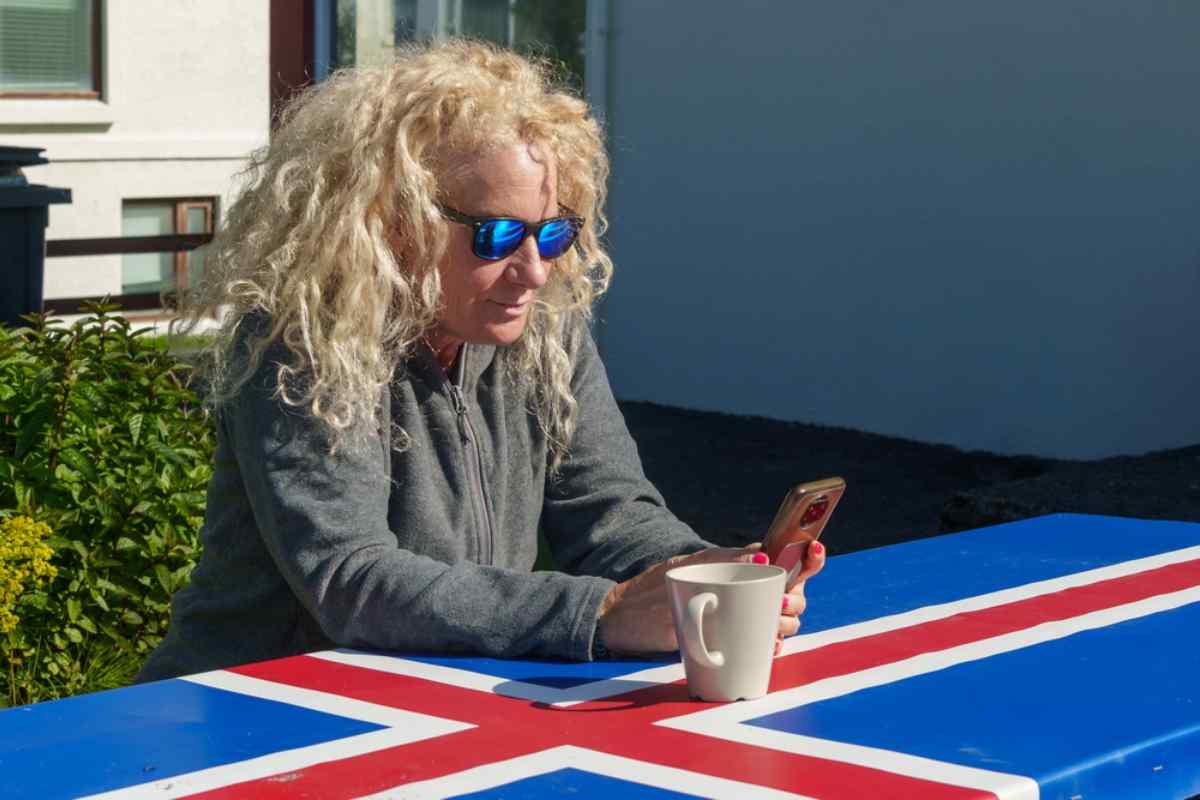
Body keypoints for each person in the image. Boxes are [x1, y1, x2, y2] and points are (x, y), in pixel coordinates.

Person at [136, 40, 824, 682]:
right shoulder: (302, 341)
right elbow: (353, 582)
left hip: (442, 700)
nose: (533, 270)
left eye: (553, 233)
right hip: (251, 715)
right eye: (496, 236)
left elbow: (610, 511)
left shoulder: (543, 330)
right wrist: (604, 615)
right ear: (393, 224)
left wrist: (696, 577)